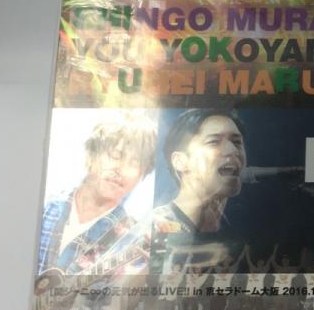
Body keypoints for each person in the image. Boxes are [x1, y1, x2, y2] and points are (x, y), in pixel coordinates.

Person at [37, 111, 157, 275]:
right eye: (115, 155)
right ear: (91, 155)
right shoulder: (44, 204)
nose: (121, 169)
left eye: (134, 164)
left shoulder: (132, 240)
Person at [152, 108, 247, 235]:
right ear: (180, 161)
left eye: (237, 142)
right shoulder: (156, 227)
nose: (233, 150)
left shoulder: (239, 232)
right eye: (213, 142)